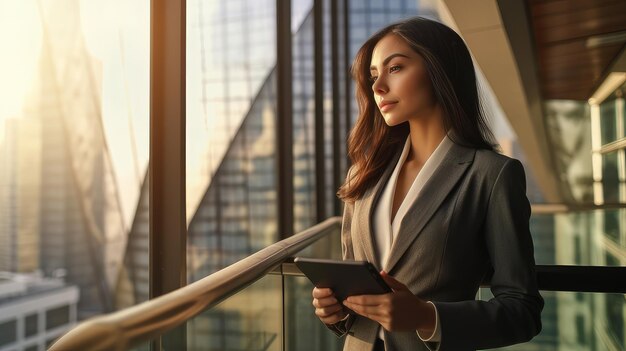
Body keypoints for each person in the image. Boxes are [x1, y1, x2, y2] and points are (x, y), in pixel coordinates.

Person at [310, 17, 544, 351]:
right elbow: (353, 284)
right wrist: (335, 311)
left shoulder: (491, 175)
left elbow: (523, 311)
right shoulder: (363, 175)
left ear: (439, 69)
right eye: (374, 75)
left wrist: (426, 317)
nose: (377, 87)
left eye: (395, 68)